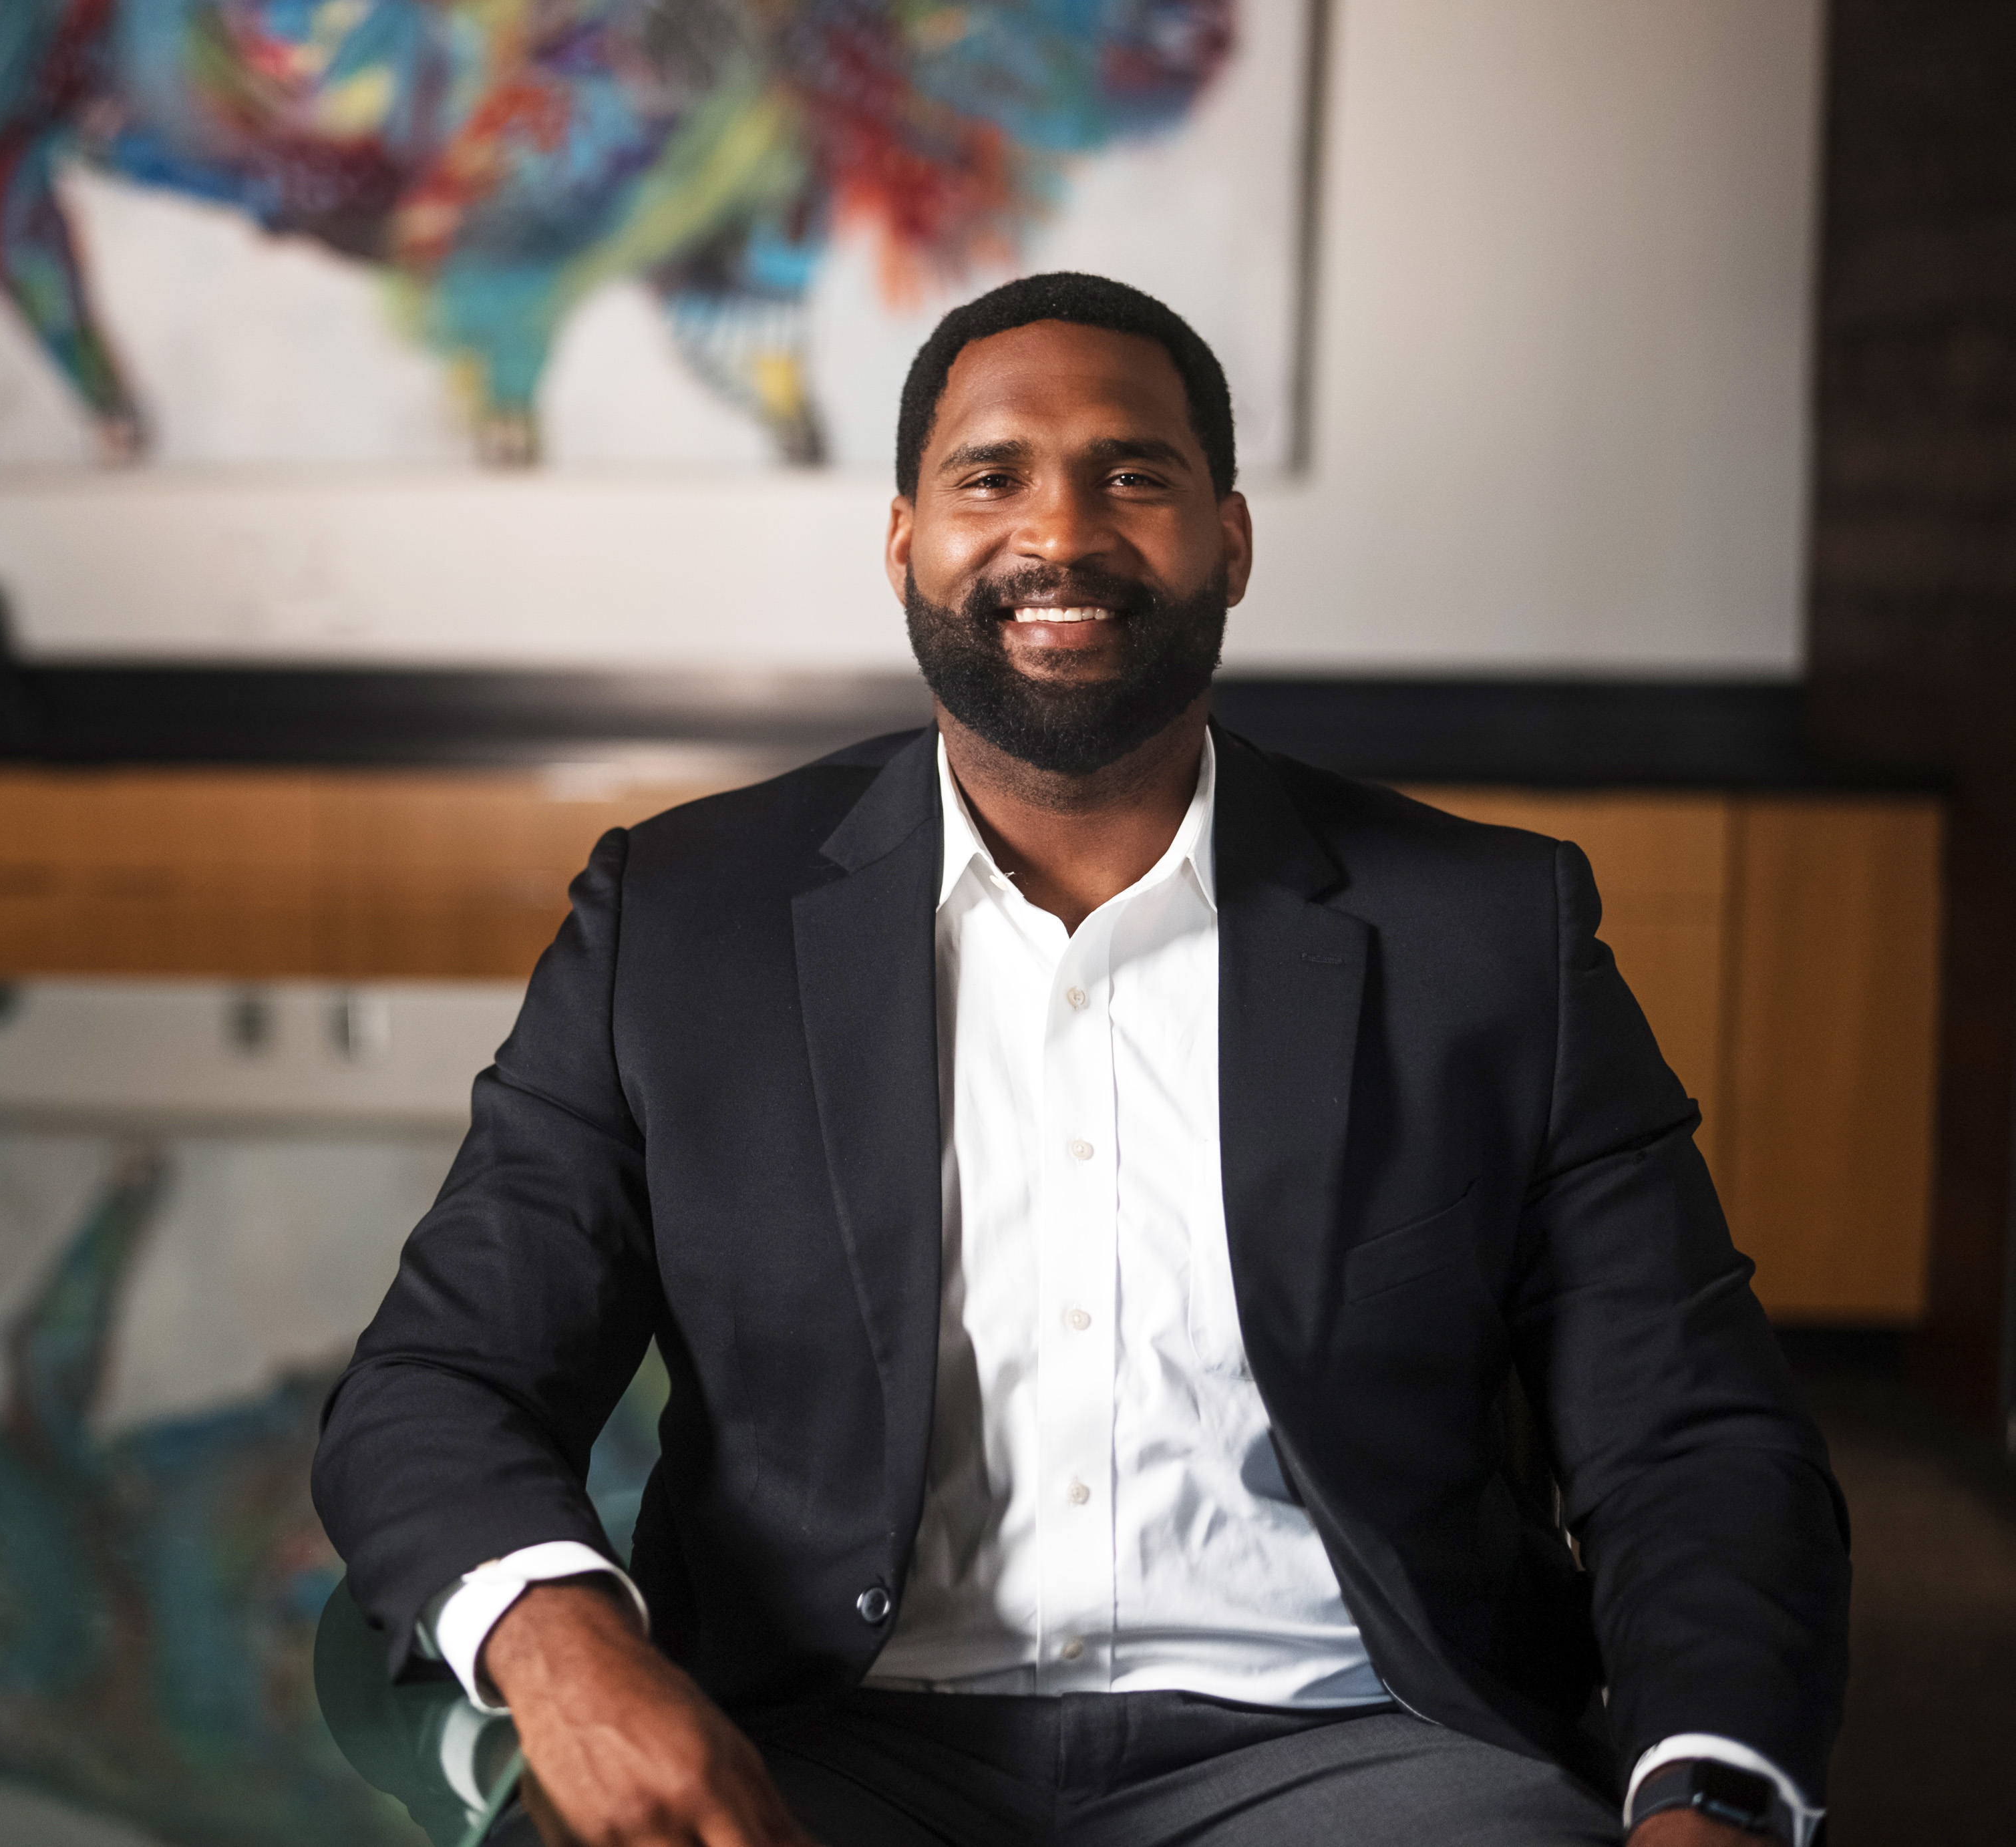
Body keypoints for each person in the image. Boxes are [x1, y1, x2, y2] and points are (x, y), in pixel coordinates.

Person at [311, 273, 1848, 1846]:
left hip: (1361, 1750)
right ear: (903, 543)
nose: (1059, 530)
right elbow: (440, 1380)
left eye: (1133, 474)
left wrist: (1712, 1795)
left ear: (1229, 542)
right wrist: (569, 1650)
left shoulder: (1485, 931)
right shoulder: (684, 919)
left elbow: (1691, 1435)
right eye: (992, 477)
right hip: (814, 1744)